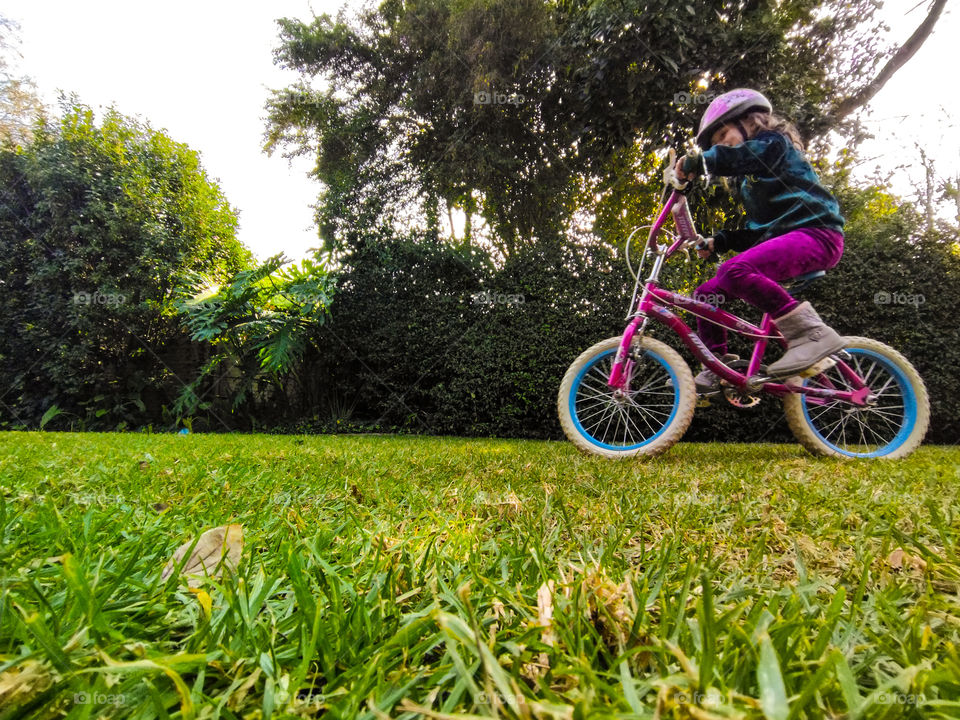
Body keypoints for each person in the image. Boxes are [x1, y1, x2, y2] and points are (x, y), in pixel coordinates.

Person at [673, 88, 846, 391]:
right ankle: (718, 365)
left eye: (724, 134)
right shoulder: (748, 182)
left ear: (750, 121)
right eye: (717, 143)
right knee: (704, 295)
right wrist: (720, 241)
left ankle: (812, 334)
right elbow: (759, 231)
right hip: (791, 238)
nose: (723, 144)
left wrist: (697, 161)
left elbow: (741, 156)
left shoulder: (772, 146)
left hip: (817, 233)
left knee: (733, 271)